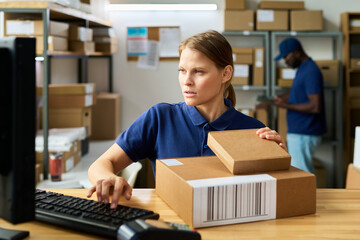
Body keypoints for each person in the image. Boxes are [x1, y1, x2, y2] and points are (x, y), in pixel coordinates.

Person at [87, 30, 286, 208]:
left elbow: (272, 197)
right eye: (182, 71)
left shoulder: (253, 130)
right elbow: (102, 163)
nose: (187, 81)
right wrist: (107, 178)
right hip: (171, 226)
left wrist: (279, 163)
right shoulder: (160, 118)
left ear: (226, 73)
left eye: (198, 71)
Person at [273, 37, 326, 174]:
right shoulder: (303, 69)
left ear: (296, 53)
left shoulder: (311, 71)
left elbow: (315, 106)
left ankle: (310, 196)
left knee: (302, 174)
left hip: (304, 132)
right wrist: (280, 99)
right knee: (301, 173)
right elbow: (297, 93)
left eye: (286, 57)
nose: (286, 62)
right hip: (300, 131)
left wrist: (285, 105)